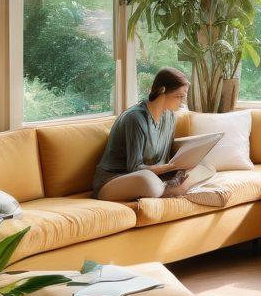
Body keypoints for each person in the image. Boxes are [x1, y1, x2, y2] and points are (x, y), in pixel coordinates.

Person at [93, 67, 230, 207]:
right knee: (149, 181)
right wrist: (170, 167)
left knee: (207, 167)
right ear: (162, 91)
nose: (182, 102)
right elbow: (134, 168)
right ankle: (180, 190)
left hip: (157, 177)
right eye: (179, 96)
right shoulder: (135, 118)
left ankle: (176, 189)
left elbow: (165, 158)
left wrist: (180, 169)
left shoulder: (170, 116)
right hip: (116, 180)